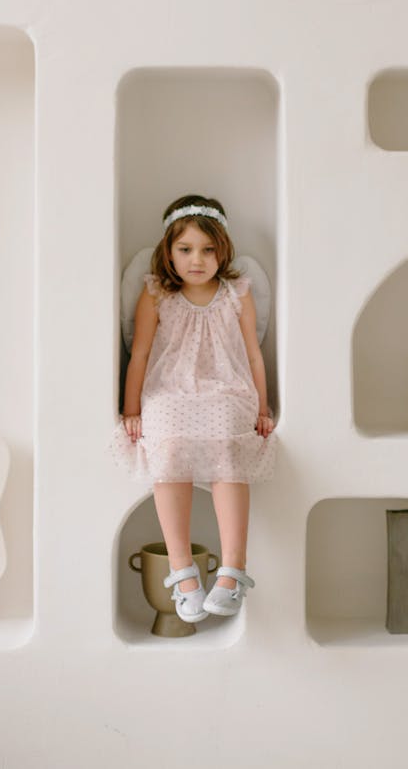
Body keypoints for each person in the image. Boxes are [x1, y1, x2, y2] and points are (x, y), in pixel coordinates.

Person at [113, 194, 275, 623]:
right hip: (170, 389)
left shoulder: (236, 293)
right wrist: (131, 409)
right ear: (168, 251)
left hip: (227, 388)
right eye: (185, 249)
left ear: (222, 251)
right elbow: (142, 355)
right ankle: (184, 574)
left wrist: (262, 406)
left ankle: (232, 572)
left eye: (207, 250)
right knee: (165, 440)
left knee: (227, 437)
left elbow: (253, 355)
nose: (197, 260)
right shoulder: (155, 294)